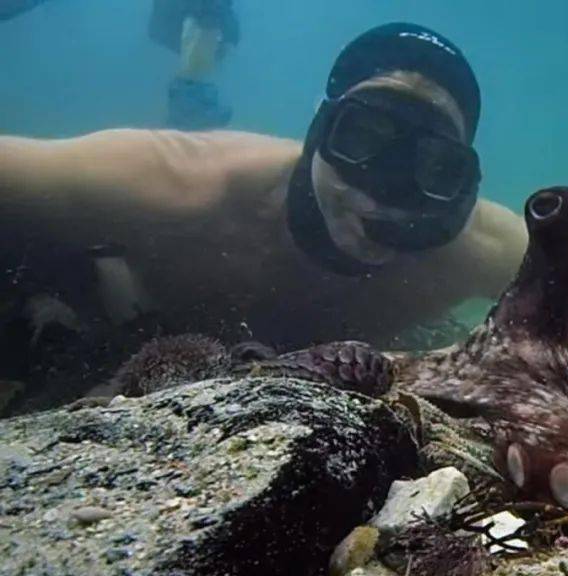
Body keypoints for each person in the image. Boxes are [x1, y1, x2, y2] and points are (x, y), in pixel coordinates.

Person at [0, 23, 528, 359]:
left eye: (433, 166)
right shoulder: (180, 183)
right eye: (362, 137)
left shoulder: (478, 247)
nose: (378, 194)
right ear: (319, 132)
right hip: (123, 315)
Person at [148, 0, 239, 129]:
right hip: (198, 14)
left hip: (197, 15)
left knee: (207, 24)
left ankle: (189, 102)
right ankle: (188, 106)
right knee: (206, 23)